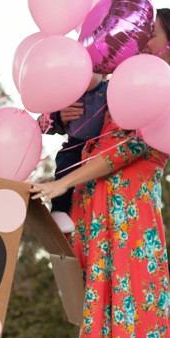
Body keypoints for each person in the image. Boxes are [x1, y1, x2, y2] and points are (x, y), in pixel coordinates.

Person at [31, 8, 170, 338]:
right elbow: (85, 124)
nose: (140, 43)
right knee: (102, 303)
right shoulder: (122, 86)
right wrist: (57, 115)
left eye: (151, 38)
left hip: (131, 219)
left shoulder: (167, 99)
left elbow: (120, 155)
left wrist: (59, 186)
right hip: (97, 212)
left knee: (132, 304)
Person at [38, 76, 109, 233]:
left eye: (92, 69)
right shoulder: (67, 95)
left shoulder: (111, 90)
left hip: (102, 147)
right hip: (74, 144)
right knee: (64, 167)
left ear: (103, 73)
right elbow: (43, 123)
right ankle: (58, 210)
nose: (85, 74)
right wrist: (57, 118)